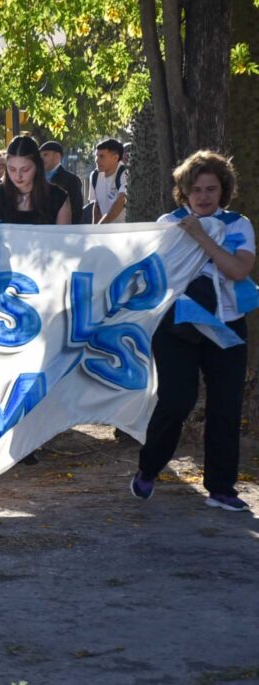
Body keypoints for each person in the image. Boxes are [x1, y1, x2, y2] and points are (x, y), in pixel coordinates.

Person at [132, 151, 255, 512]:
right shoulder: (168, 223)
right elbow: (158, 273)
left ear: (223, 191)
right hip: (178, 323)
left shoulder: (238, 224)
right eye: (196, 189)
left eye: (211, 189)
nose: (203, 196)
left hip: (227, 324)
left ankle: (221, 489)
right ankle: (148, 468)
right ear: (183, 192)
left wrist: (202, 236)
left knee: (225, 406)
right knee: (177, 399)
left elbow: (237, 270)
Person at [0, 136, 72, 225]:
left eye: (25, 169)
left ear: (37, 166)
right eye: (12, 169)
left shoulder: (58, 199)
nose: (18, 176)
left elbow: (63, 240)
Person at [39, 141, 84, 221]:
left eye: (45, 155)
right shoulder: (36, 178)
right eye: (40, 156)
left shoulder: (71, 180)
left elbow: (76, 211)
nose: (41, 159)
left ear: (57, 156)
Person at [90, 138, 128, 224]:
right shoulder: (94, 175)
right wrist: (94, 230)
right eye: (96, 156)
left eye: (101, 156)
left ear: (115, 158)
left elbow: (121, 201)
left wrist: (101, 226)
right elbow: (97, 205)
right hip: (105, 231)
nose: (96, 160)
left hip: (125, 232)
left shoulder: (125, 173)